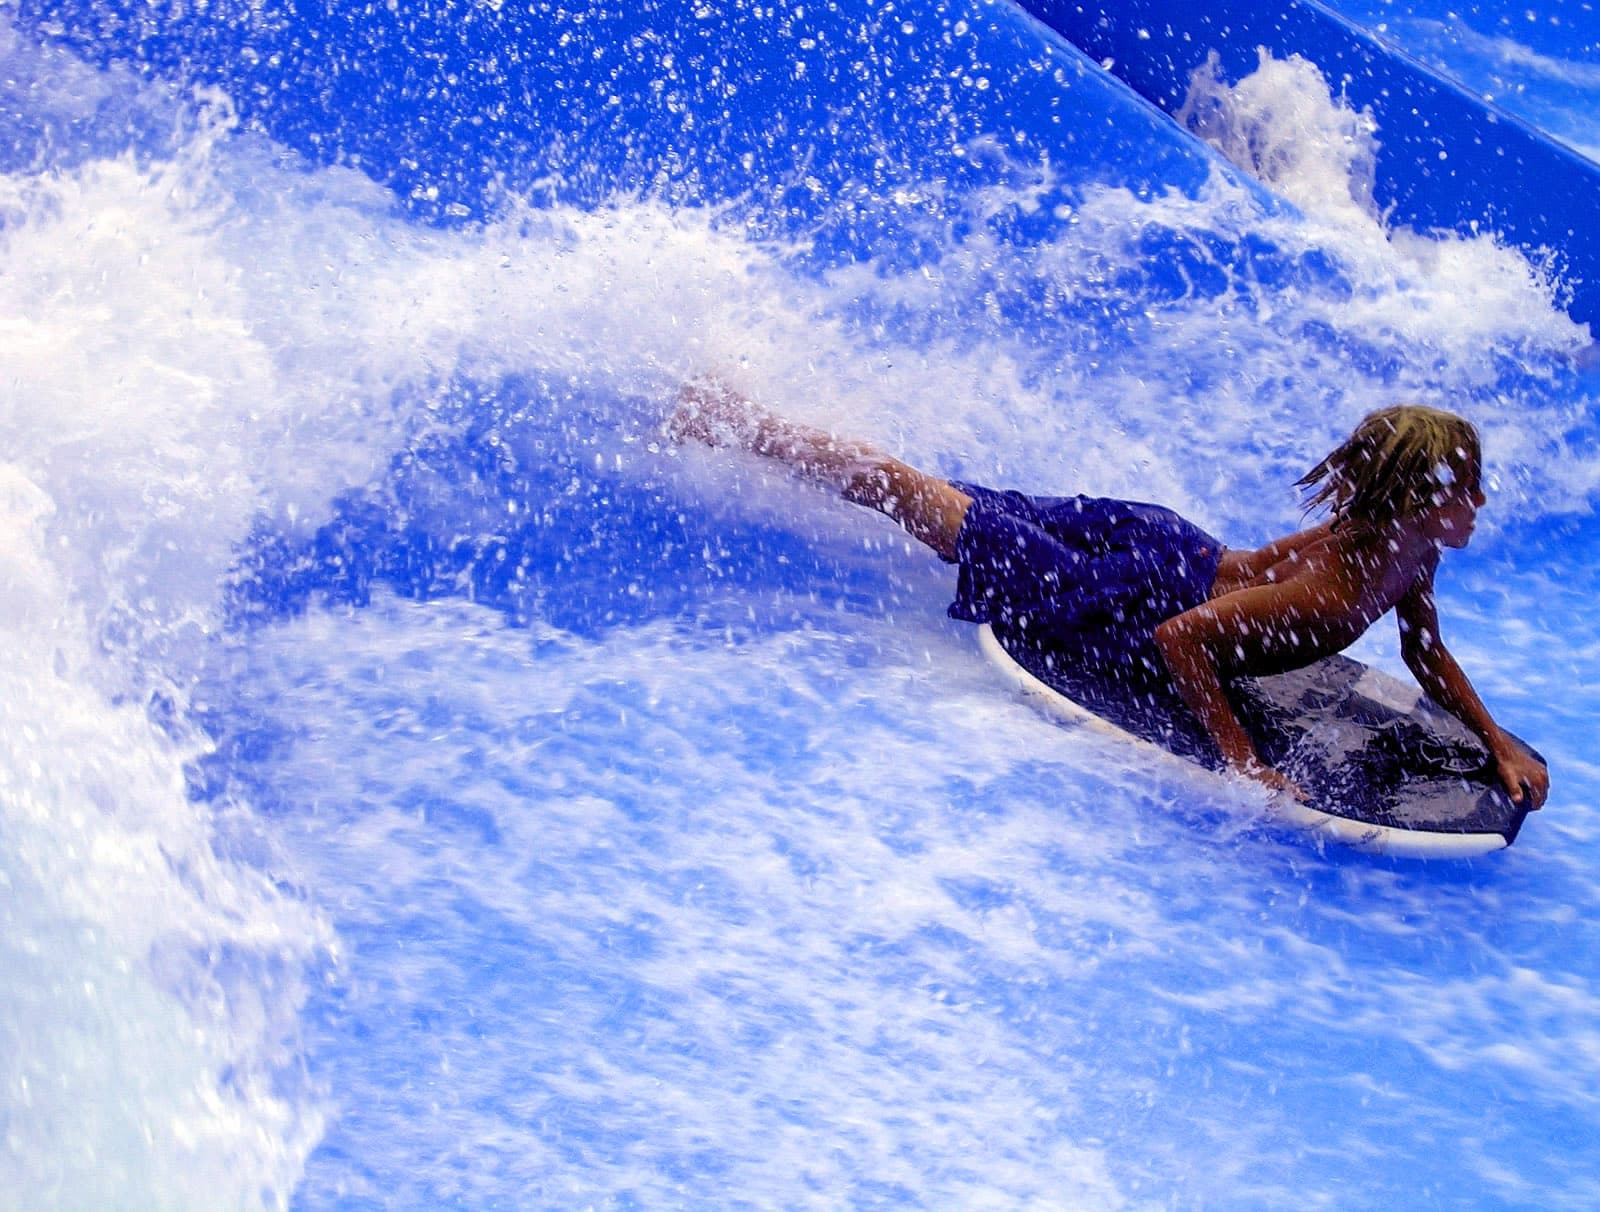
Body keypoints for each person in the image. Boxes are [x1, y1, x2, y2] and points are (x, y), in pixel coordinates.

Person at [668, 380, 1550, 809]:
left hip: (1169, 538)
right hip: (1126, 591)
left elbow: (1423, 652)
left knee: (953, 500)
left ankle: (734, 416)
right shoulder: (1332, 591)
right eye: (1463, 488)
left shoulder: (1404, 554)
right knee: (922, 505)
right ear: (1416, 502)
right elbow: (1184, 642)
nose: (1479, 503)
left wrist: (1492, 741)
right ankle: (734, 424)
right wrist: (1243, 761)